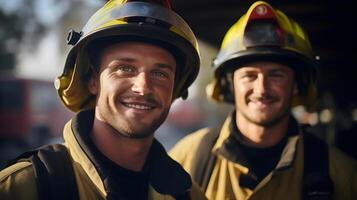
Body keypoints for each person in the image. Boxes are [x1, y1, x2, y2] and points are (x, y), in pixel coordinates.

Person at [0, 0, 207, 199]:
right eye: (125, 68)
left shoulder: (187, 193)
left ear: (174, 89)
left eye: (160, 74)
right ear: (92, 80)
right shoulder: (23, 187)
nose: (143, 87)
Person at [169, 1, 357, 200]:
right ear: (229, 85)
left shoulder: (341, 175)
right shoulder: (188, 158)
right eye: (249, 76)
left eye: (276, 75)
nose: (261, 89)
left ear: (296, 85)